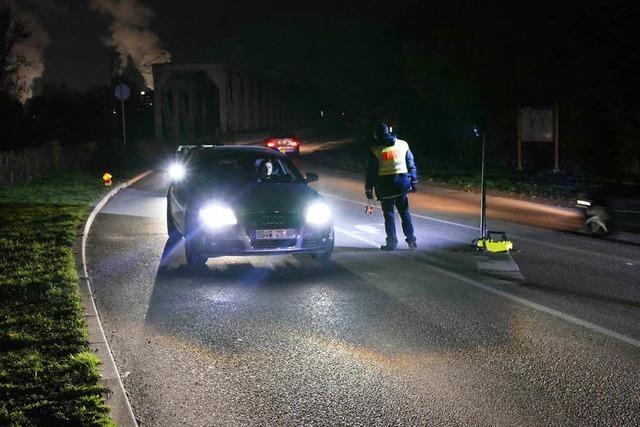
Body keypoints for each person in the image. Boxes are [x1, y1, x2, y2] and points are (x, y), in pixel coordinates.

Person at [365, 122, 418, 250]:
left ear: (376, 135)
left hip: (385, 187)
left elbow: (371, 171)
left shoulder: (375, 150)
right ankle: (411, 240)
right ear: (389, 131)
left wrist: (368, 189)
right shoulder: (403, 144)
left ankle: (391, 243)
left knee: (388, 214)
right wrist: (414, 181)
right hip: (402, 185)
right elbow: (411, 164)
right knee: (404, 212)